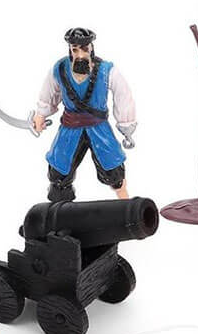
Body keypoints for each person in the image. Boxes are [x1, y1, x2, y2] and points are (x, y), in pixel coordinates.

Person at [31, 27, 137, 203]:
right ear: (70, 50)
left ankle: (126, 205)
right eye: (75, 49)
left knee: (114, 169)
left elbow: (123, 96)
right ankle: (59, 210)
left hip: (99, 129)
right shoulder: (60, 69)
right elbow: (48, 94)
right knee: (59, 172)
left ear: (91, 48)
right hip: (70, 129)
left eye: (84, 49)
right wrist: (41, 115)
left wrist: (126, 126)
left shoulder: (107, 70)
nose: (80, 54)